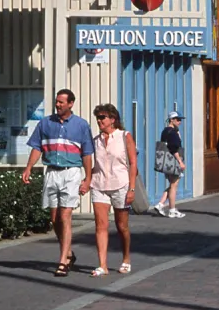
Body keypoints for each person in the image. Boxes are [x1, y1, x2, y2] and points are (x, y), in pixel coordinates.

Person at [21, 89, 94, 277]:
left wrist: (87, 179)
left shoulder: (81, 125)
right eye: (57, 102)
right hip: (52, 171)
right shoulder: (45, 123)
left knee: (65, 216)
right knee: (54, 219)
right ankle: (68, 253)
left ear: (71, 104)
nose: (58, 105)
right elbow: (37, 147)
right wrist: (29, 167)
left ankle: (62, 261)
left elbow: (86, 154)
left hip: (71, 173)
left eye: (62, 102)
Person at [89, 103, 136, 277]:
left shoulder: (124, 136)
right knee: (100, 225)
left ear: (112, 119)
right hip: (99, 184)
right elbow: (91, 162)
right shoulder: (96, 140)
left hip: (121, 184)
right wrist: (87, 179)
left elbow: (133, 163)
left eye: (102, 117)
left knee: (121, 226)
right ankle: (103, 265)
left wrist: (131, 188)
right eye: (98, 118)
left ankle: (126, 258)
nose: (99, 121)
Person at [154, 111, 187, 218]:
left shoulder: (165, 131)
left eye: (180, 120)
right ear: (171, 120)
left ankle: (160, 204)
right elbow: (174, 148)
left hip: (165, 162)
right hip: (173, 161)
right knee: (174, 185)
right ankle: (172, 209)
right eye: (177, 119)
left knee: (172, 184)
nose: (179, 122)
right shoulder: (172, 132)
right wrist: (180, 162)